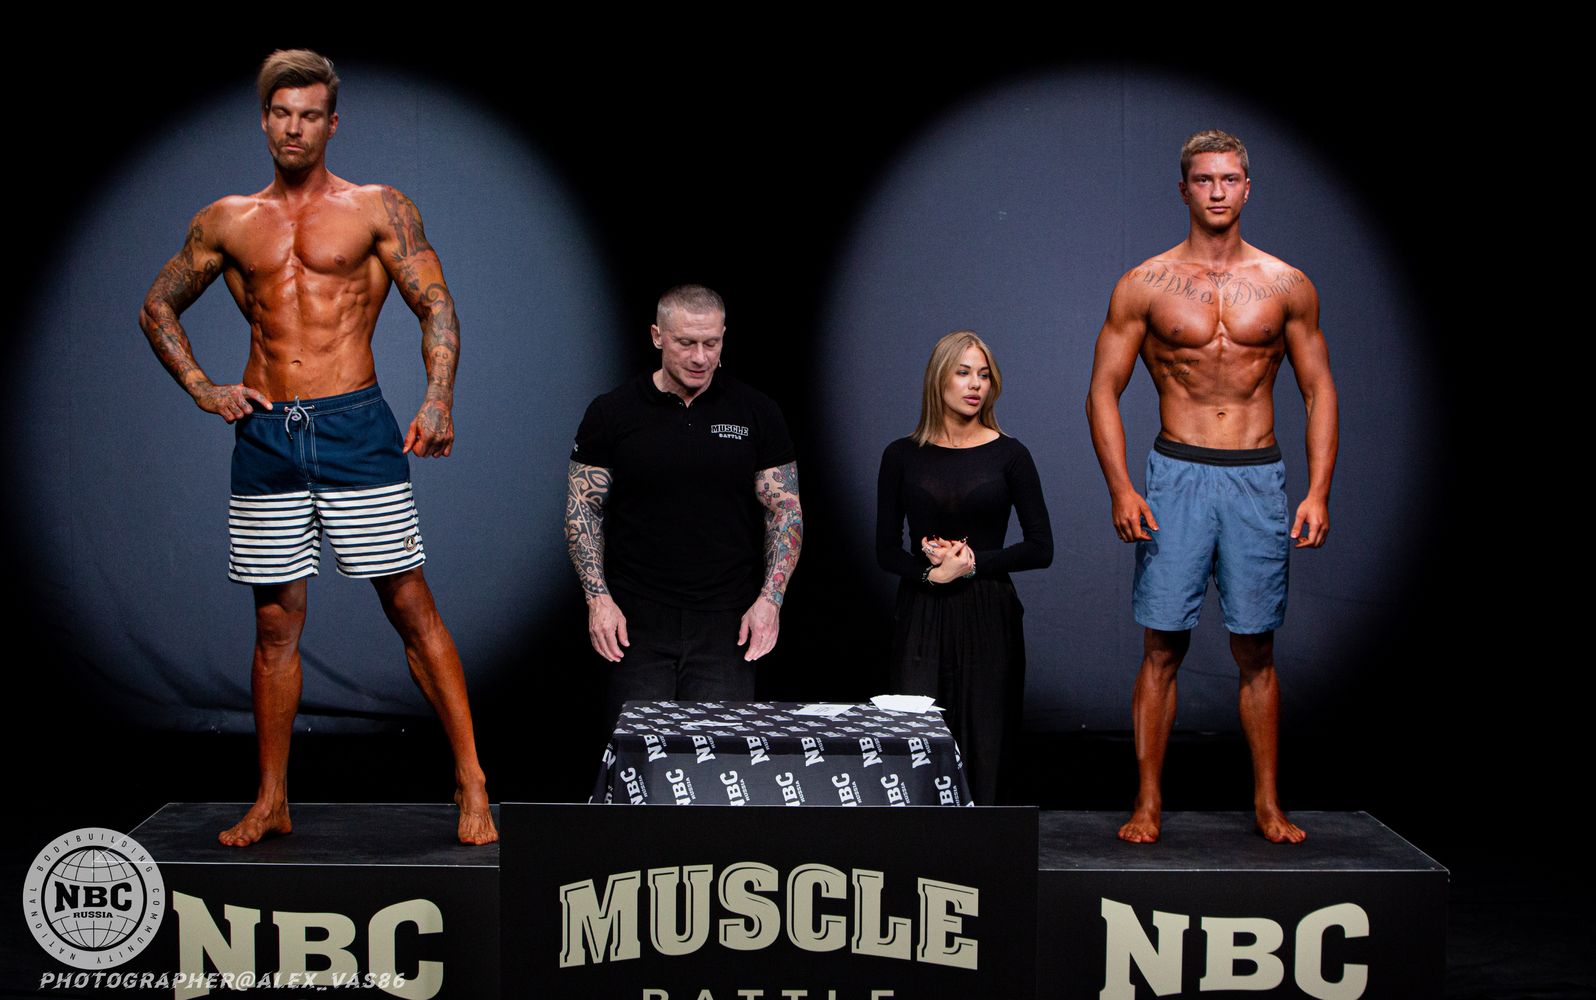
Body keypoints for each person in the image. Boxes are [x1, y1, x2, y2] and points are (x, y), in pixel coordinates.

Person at [138, 50, 495, 846]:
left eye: (308, 115)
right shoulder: (227, 220)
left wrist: (438, 397)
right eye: (281, 114)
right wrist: (203, 388)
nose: (293, 128)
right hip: (266, 432)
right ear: (264, 121)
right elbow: (157, 306)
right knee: (274, 623)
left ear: (332, 124)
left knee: (409, 605)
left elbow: (435, 304)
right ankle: (272, 798)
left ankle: (471, 778)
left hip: (354, 425)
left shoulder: (377, 208)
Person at [1085, 129, 1338, 844]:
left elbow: (1318, 390)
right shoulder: (1144, 283)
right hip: (1177, 475)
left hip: (1257, 477)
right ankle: (1147, 803)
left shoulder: (1287, 285)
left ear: (1247, 188)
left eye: (1229, 179)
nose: (1218, 191)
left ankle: (1268, 804)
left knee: (1256, 650)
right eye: (1204, 179)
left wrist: (1318, 491)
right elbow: (1102, 389)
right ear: (1184, 189)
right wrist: (1121, 487)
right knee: (1162, 647)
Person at [566, 285, 802, 725]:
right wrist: (598, 600)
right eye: (686, 343)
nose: (699, 357)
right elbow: (583, 509)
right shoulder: (612, 412)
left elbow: (785, 511)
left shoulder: (756, 411)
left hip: (727, 624)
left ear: (724, 337)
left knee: (720, 756)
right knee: (638, 755)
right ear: (657, 336)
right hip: (634, 623)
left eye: (711, 343)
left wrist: (770, 601)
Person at [876, 331, 1052, 805]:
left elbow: (1041, 548)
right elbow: (885, 550)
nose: (975, 384)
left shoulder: (1011, 454)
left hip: (988, 612)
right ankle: (918, 845)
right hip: (922, 612)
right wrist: (930, 574)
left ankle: (984, 846)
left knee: (987, 741)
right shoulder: (901, 455)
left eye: (984, 375)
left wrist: (972, 563)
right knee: (916, 739)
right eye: (963, 372)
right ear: (939, 379)